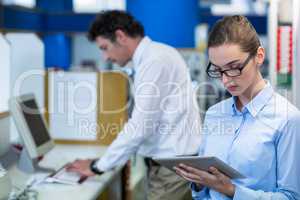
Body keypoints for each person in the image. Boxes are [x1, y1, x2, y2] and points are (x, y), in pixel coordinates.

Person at [66, 10, 202, 200]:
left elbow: (140, 126)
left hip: (172, 170)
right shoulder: (154, 56)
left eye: (104, 47)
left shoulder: (154, 61)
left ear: (120, 36)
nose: (105, 57)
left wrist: (98, 166)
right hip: (171, 166)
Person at [174, 15, 300, 199]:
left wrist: (231, 190)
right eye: (218, 70)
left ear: (259, 56)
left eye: (234, 67)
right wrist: (199, 183)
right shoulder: (214, 114)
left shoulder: (287, 119)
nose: (225, 79)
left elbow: (291, 196)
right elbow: (202, 195)